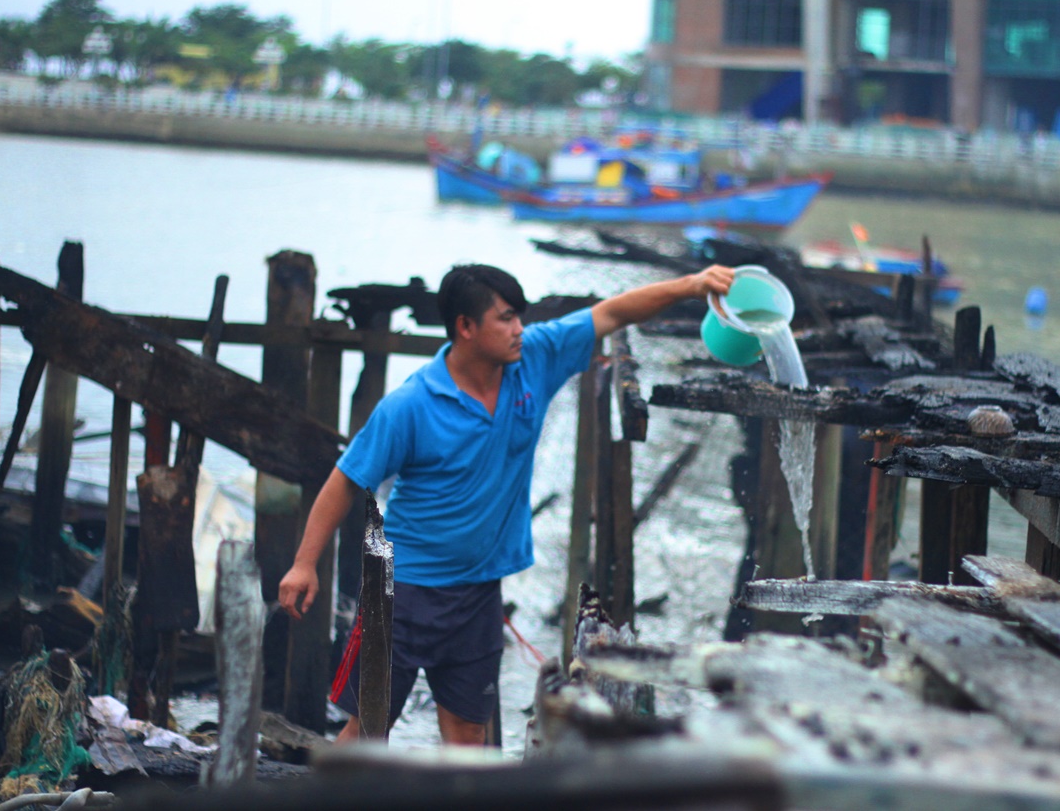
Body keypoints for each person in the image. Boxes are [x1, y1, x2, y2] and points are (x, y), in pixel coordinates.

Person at [278, 262, 734, 745]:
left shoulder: (534, 359)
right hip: (403, 591)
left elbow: (612, 313)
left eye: (521, 317)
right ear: (466, 328)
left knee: (468, 731)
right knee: (369, 727)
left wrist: (694, 284)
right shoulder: (409, 405)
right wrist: (304, 564)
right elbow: (346, 479)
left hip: (478, 593)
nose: (520, 330)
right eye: (507, 318)